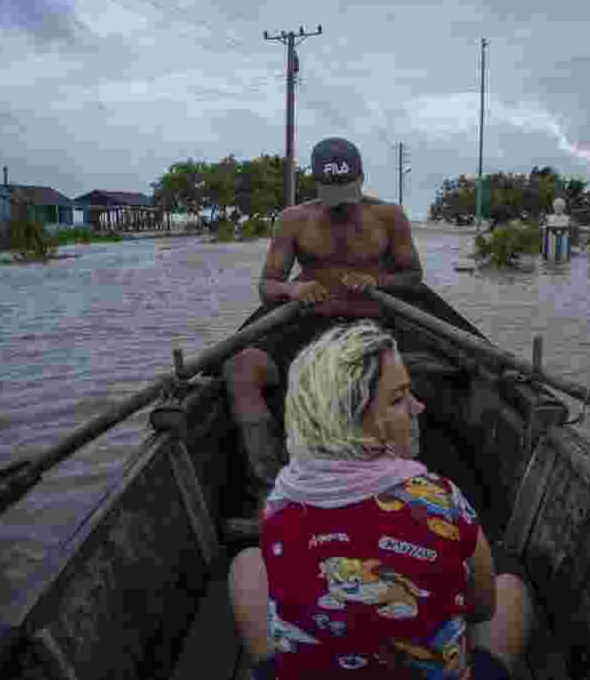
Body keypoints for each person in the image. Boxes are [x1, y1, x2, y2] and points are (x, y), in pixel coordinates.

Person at [228, 321, 535, 679]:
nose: (418, 406)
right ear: (353, 418)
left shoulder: (280, 501)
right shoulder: (443, 499)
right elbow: (481, 608)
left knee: (247, 564)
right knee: (510, 589)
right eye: (398, 398)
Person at [222, 137, 424, 512]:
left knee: (398, 391)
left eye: (347, 192)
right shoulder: (293, 220)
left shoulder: (388, 216)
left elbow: (413, 277)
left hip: (369, 326)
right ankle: (268, 488)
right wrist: (292, 291)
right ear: (315, 184)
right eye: (332, 193)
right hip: (306, 327)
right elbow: (267, 285)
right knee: (240, 367)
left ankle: (404, 485)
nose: (341, 204)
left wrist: (377, 282)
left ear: (361, 179)